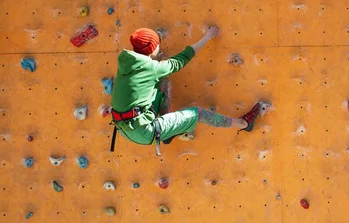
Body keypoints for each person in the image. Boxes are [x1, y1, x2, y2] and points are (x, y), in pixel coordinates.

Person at [109, 26, 267, 155]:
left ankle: (168, 132)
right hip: (145, 131)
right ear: (152, 48)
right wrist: (207, 37)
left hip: (125, 128)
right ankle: (243, 124)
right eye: (158, 44)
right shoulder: (153, 68)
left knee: (163, 83)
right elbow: (181, 60)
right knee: (197, 113)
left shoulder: (126, 64)